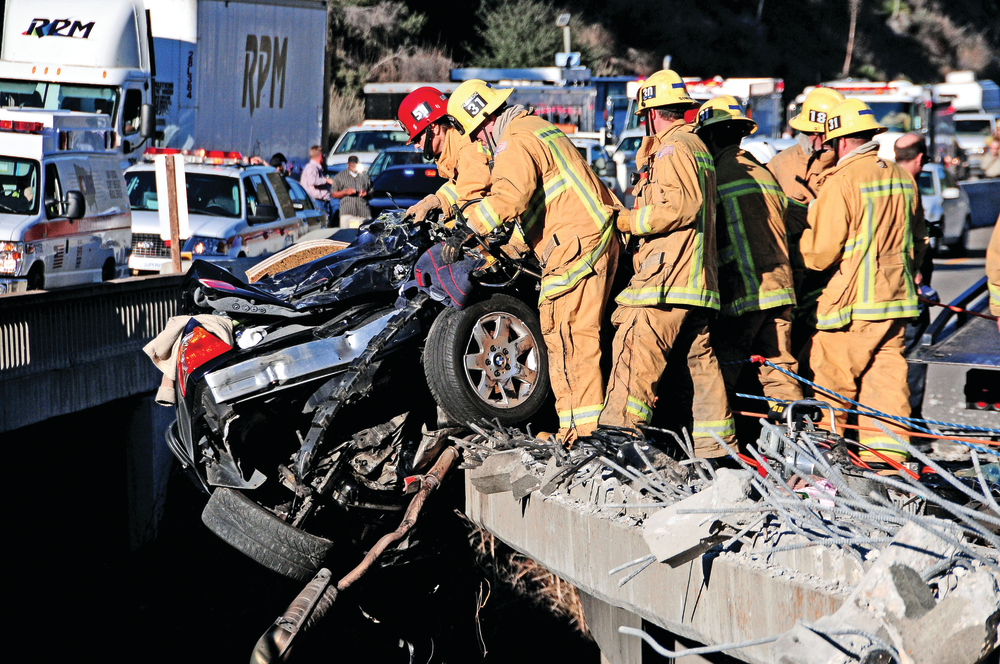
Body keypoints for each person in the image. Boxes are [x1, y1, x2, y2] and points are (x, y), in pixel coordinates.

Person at [445, 79, 622, 445]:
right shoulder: (534, 130)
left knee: (575, 339)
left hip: (577, 247)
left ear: (485, 121)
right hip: (574, 243)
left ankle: (588, 436)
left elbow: (508, 197)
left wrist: (465, 229)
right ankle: (573, 431)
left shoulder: (515, 139)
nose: (478, 144)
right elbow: (535, 208)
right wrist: (506, 250)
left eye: (476, 135)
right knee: (561, 338)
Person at [595, 70, 735, 458]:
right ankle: (716, 450)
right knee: (701, 367)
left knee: (636, 344)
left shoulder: (673, 149)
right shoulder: (697, 149)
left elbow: (681, 207)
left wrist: (625, 221)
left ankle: (620, 431)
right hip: (695, 281)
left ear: (652, 114)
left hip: (666, 278)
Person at [800, 98, 926, 465]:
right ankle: (887, 467)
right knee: (886, 390)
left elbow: (819, 253)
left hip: (853, 308)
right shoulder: (902, 177)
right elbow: (917, 240)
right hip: (896, 303)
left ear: (839, 141)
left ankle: (827, 469)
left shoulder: (842, 181)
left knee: (831, 388)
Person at [693, 96, 803, 410]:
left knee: (720, 373)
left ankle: (717, 446)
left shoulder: (717, 175)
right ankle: (799, 442)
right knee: (779, 370)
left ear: (710, 136)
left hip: (745, 294)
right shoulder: (764, 171)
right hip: (780, 289)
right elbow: (795, 218)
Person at [766, 87, 845, 365]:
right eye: (811, 132)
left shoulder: (847, 169)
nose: (816, 140)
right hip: (789, 274)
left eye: (821, 133)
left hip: (832, 278)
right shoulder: (781, 165)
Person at [396, 86, 492, 222]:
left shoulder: (467, 148)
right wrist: (436, 201)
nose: (416, 145)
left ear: (433, 127)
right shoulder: (454, 148)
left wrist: (454, 230)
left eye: (417, 138)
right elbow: (461, 185)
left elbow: (472, 198)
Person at [893, 133, 935, 419]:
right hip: (908, 291)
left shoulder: (883, 179)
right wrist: (918, 278)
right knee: (913, 358)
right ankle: (911, 423)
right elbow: (911, 240)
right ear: (920, 158)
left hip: (885, 291)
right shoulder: (909, 186)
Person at [328, 156, 372, 228]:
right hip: (347, 212)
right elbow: (333, 194)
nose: (353, 166)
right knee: (346, 236)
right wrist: (345, 192)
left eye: (355, 164)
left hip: (363, 212)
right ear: (348, 164)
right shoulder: (340, 177)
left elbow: (372, 192)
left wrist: (366, 193)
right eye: (352, 164)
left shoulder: (365, 176)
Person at [300, 146, 337, 218]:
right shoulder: (312, 167)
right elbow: (312, 181)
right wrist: (326, 180)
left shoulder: (316, 168)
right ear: (320, 156)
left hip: (321, 202)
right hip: (318, 202)